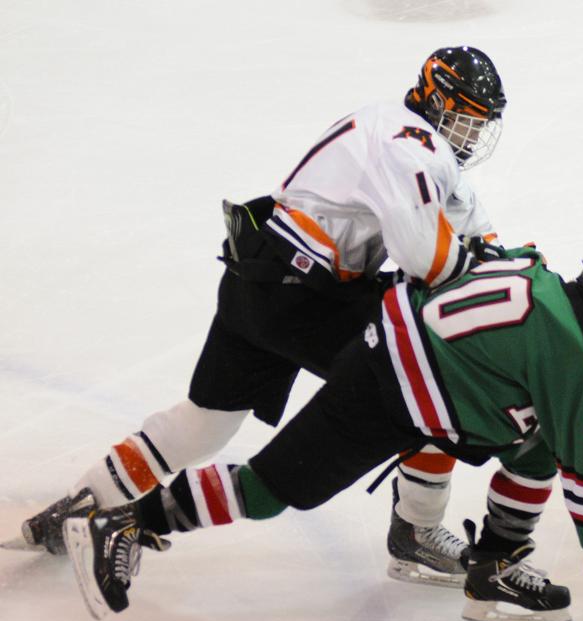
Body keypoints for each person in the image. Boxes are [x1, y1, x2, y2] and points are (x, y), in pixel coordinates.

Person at [23, 46, 509, 588]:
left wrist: (501, 259)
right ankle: (416, 532)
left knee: (202, 424)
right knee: (429, 382)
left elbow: (477, 231)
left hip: (257, 278)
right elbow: (425, 256)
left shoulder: (390, 125)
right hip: (304, 296)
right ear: (437, 100)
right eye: (465, 118)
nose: (471, 134)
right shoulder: (413, 147)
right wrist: (485, 273)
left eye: (480, 123)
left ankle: (80, 505)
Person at [62, 241, 583, 621]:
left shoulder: (540, 276)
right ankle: (129, 522)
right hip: (392, 390)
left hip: (408, 362)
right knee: (273, 489)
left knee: (536, 442)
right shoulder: (576, 357)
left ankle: (496, 563)